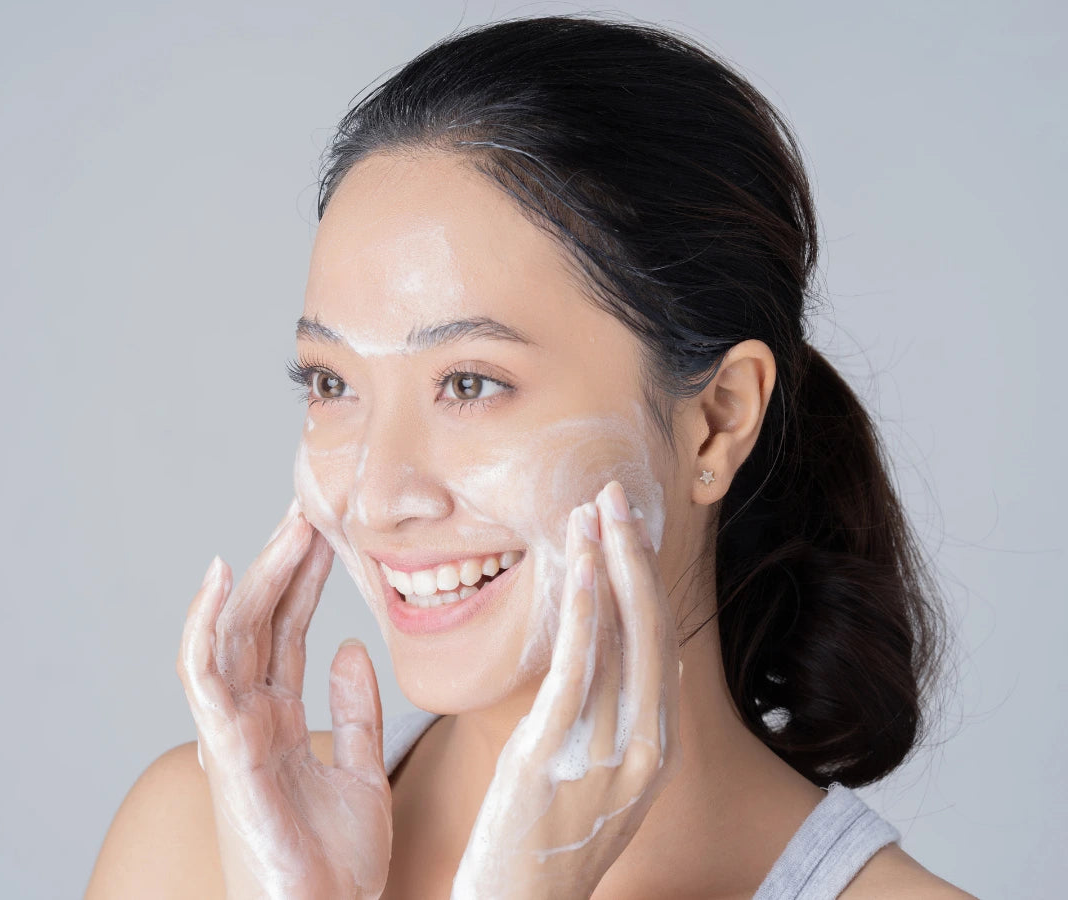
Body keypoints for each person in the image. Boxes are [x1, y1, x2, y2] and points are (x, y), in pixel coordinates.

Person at [87, 15, 973, 899]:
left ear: (716, 419)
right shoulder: (201, 841)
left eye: (470, 383)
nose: (375, 493)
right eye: (330, 383)